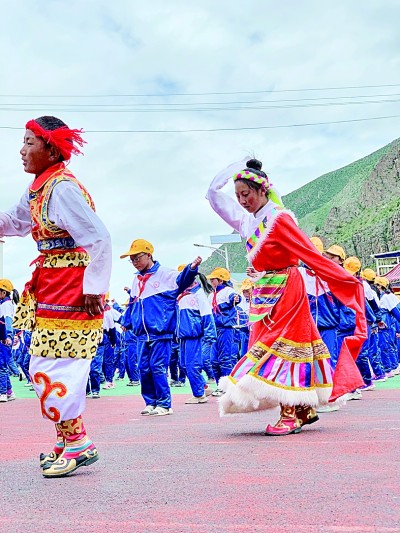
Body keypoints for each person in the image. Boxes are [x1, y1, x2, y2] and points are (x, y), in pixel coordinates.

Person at [207, 158, 367, 435]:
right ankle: (304, 409)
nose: (242, 201)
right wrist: (231, 170)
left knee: (279, 348)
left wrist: (343, 278)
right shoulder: (251, 221)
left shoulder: (279, 218)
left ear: (262, 191)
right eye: (238, 196)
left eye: (247, 194)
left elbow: (308, 252)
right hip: (264, 290)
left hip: (286, 290)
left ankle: (290, 413)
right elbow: (213, 198)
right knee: (277, 346)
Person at [0, 116, 112, 477]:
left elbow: (99, 238)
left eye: (30, 142)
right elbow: (17, 222)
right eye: (23, 141)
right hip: (52, 280)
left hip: (71, 284)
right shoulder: (39, 188)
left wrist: (94, 288)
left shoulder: (62, 188)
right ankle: (67, 438)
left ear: (51, 148)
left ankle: (78, 441)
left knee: (54, 364)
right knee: (47, 361)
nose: (22, 150)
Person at [120, 239, 201, 416]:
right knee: (143, 368)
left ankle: (164, 404)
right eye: (131, 259)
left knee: (157, 367)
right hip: (142, 334)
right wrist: (127, 322)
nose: (134, 262)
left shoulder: (165, 274)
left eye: (137, 257)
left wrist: (191, 269)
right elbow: (133, 303)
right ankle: (151, 402)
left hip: (160, 331)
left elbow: (182, 280)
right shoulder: (137, 279)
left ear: (148, 255)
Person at [176, 265, 216, 404]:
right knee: (183, 364)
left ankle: (199, 395)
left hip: (194, 336)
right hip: (183, 336)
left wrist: (210, 336)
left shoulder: (198, 294)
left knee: (191, 364)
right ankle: (203, 387)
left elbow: (207, 315)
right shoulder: (181, 294)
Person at [207, 267, 241, 396]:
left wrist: (235, 299)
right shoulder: (211, 295)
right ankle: (219, 385)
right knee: (213, 360)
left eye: (213, 279)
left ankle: (227, 387)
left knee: (225, 359)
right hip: (214, 330)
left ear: (221, 280)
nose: (211, 281)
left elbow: (235, 298)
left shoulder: (228, 291)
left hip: (226, 329)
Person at [0, 279, 17, 402]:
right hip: (5, 336)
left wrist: (7, 337)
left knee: (2, 366)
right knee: (3, 364)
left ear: (3, 293)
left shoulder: (5, 305)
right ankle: (9, 391)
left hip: (5, 338)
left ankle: (3, 393)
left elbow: (7, 322)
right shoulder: (7, 304)